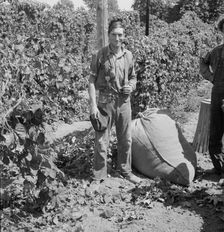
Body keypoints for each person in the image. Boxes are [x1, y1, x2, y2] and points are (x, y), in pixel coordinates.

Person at [88, 18, 142, 184]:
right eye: (113, 35)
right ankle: (99, 176)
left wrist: (131, 86)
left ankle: (125, 171)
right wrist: (93, 105)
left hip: (124, 103)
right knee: (101, 141)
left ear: (123, 36)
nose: (117, 39)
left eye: (120, 35)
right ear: (108, 35)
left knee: (125, 139)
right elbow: (91, 81)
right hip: (105, 103)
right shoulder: (100, 55)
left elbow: (133, 77)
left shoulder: (128, 55)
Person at [200, 18, 224, 174]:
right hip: (218, 93)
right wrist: (211, 77)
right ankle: (220, 169)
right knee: (216, 132)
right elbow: (203, 63)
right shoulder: (216, 51)